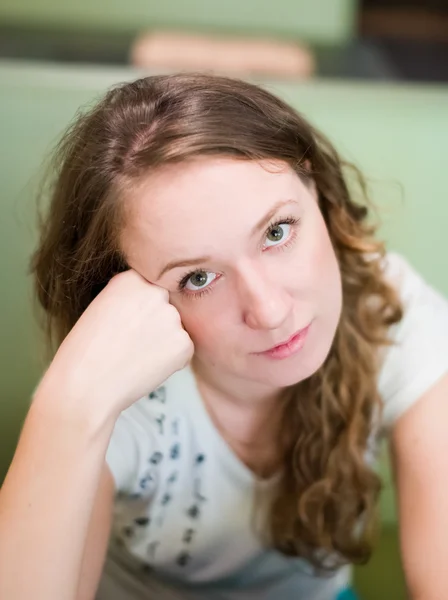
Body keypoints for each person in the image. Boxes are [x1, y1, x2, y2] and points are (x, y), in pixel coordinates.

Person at [0, 73, 447, 600]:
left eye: (277, 232)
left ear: (317, 190)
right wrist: (69, 407)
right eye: (198, 278)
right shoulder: (115, 395)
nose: (270, 309)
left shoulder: (386, 309)